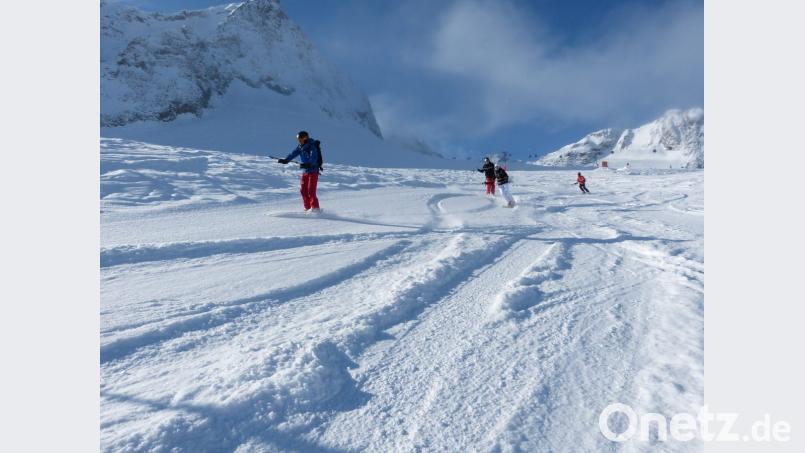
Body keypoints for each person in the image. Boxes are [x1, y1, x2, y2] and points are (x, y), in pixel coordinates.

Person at [278, 131, 321, 212]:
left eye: (300, 139)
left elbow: (314, 156)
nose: (299, 141)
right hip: (305, 171)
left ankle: (315, 209)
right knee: (303, 190)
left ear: (305, 138)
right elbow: (293, 153)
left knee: (311, 191)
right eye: (298, 140)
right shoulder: (300, 146)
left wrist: (309, 164)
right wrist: (286, 160)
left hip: (313, 171)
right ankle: (307, 208)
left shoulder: (312, 146)